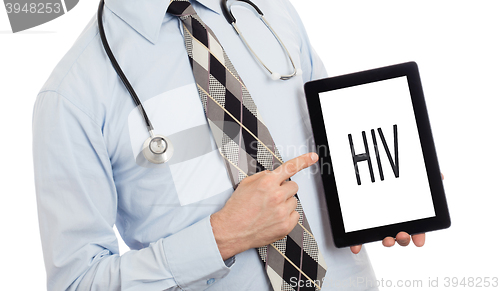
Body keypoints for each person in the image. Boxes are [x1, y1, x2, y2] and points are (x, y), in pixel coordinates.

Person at [33, 0, 425, 290]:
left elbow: (332, 143)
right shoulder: (72, 95)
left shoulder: (272, 12)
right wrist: (220, 237)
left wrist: (389, 183)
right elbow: (76, 282)